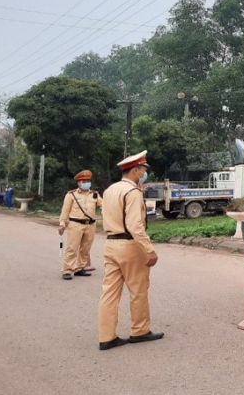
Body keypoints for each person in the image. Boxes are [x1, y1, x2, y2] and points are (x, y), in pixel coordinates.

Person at [98, 150, 163, 351]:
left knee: (109, 293)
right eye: (143, 170)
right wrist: (149, 250)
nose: (144, 173)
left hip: (111, 244)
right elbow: (135, 226)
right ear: (135, 171)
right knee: (138, 290)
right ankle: (140, 331)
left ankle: (107, 337)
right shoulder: (132, 192)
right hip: (130, 246)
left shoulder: (109, 190)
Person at [58, 170, 103, 280]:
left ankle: (79, 268)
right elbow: (65, 210)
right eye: (84, 181)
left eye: (88, 181)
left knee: (85, 248)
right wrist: (62, 223)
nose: (86, 183)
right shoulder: (71, 194)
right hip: (76, 224)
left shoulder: (95, 194)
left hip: (90, 225)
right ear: (78, 183)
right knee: (72, 248)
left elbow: (103, 206)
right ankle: (67, 270)